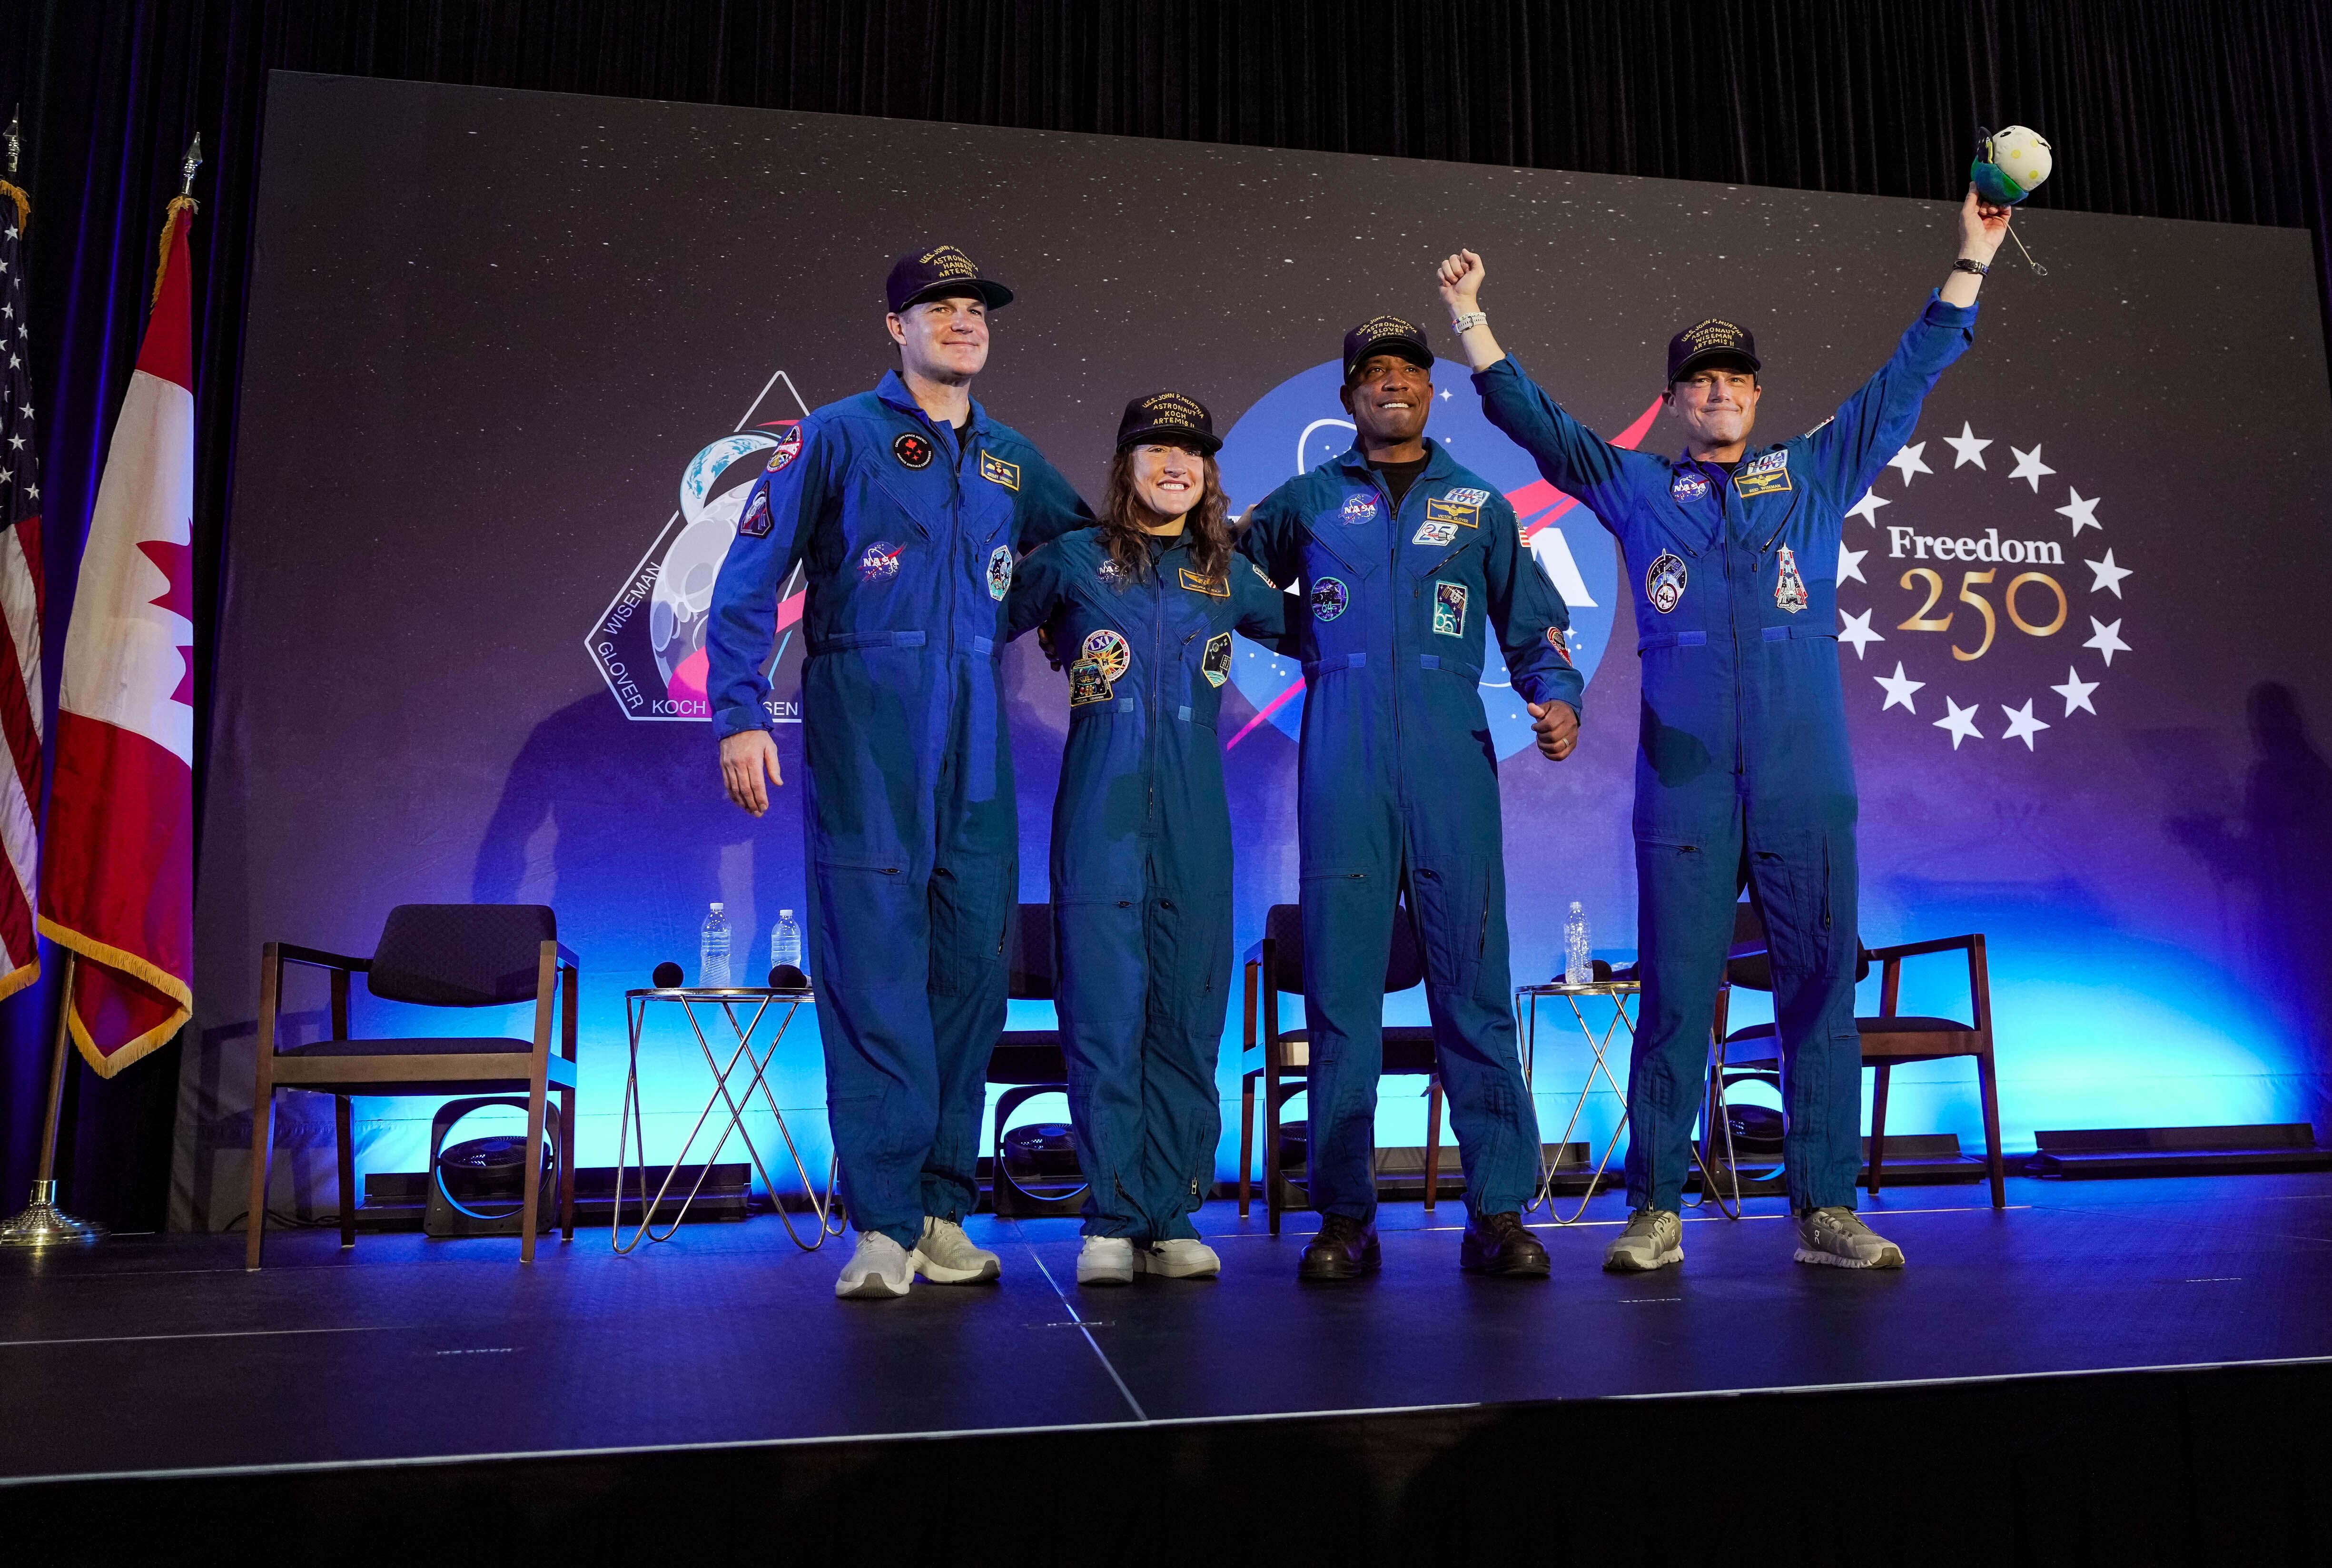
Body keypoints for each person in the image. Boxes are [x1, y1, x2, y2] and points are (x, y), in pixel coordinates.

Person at [1439, 187, 2012, 1272]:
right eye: (1699, 380)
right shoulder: (1637, 487)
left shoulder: (1811, 474)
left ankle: (1824, 1209)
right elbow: (1543, 429)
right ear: (1672, 400)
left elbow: (1903, 384)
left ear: (1754, 394)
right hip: (1686, 783)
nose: (1718, 393)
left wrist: (1970, 261)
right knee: (1671, 993)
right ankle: (1655, 1206)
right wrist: (1473, 321)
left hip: (1803, 778)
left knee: (1815, 990)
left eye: (1734, 379)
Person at [707, 245, 1093, 1299]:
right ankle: (878, 1224)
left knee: (968, 973)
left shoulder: (1013, 459)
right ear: (896, 328)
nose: (963, 321)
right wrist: (739, 714)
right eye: (940, 306)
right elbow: (745, 584)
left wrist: (1081, 618)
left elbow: (1088, 554)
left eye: (976, 308)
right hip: (866, 719)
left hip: (975, 725)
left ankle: (940, 1210)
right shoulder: (831, 436)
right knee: (875, 968)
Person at [1236, 316, 1585, 1282]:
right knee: (1342, 999)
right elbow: (1218, 573)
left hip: (1449, 762)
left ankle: (1499, 1212)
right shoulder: (1306, 499)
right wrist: (1301, 629)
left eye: (1409, 372)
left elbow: (1534, 628)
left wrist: (1554, 699)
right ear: (1347, 396)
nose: (1393, 384)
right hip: (1341, 760)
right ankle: (1343, 1219)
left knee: (1471, 996)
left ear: (1432, 393)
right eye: (1373, 373)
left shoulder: (1477, 506)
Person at [1004, 393, 1295, 1286]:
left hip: (1198, 823)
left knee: (1187, 1014)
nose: (1176, 464)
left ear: (1208, 473)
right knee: (1104, 1013)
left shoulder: (1227, 574)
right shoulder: (1071, 562)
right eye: (1157, 449)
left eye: (1192, 453)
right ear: (1125, 463)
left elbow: (1325, 632)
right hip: (1100, 813)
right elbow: (969, 628)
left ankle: (1171, 1214)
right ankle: (1110, 1217)